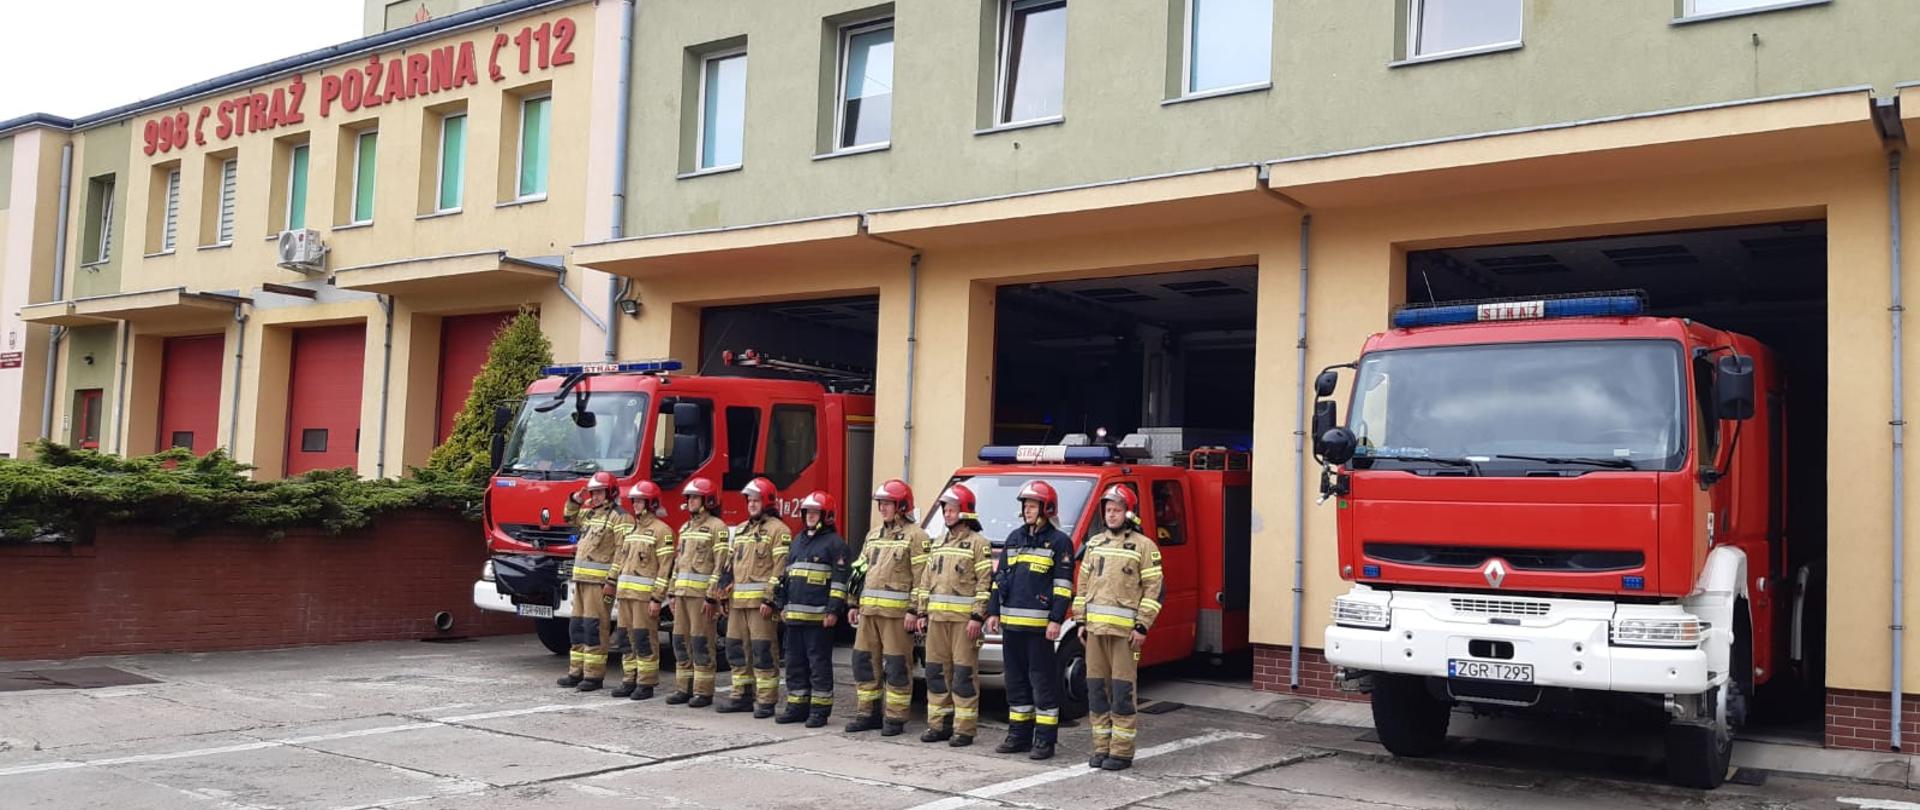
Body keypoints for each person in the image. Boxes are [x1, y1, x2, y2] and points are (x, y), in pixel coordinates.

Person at [1072, 485, 1165, 771]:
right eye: (1108, 510)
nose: (1111, 515)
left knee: (1122, 692)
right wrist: (1080, 620)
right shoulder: (1094, 544)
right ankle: (1101, 748)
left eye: (1116, 509)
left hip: (1126, 635)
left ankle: (1122, 752)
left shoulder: (1144, 546)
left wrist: (1142, 627)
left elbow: (1155, 590)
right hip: (1095, 632)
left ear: (1128, 512)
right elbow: (1083, 585)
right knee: (1097, 690)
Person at [985, 479, 1075, 760]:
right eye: (1025, 505)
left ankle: (1044, 741)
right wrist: (993, 612)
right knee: (1016, 683)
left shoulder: (1060, 542)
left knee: (1043, 684)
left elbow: (1063, 586)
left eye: (1033, 505)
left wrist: (1056, 619)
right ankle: (1019, 735)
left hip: (1039, 630)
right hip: (1012, 627)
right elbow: (1000, 580)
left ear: (1046, 508)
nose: (1027, 510)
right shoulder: (1014, 538)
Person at [910, 483, 993, 747]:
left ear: (965, 512)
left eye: (952, 509)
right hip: (936, 620)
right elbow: (925, 580)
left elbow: (984, 584)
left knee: (963, 675)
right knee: (935, 672)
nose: (947, 514)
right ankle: (939, 725)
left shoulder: (979, 544)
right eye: (945, 509)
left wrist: (977, 618)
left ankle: (964, 729)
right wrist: (922, 612)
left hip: (962, 623)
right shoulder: (937, 543)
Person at [846, 480, 931, 736]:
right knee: (863, 662)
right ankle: (867, 713)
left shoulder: (917, 536)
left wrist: (914, 610)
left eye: (887, 503)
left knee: (896, 666)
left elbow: (922, 577)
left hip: (896, 616)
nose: (881, 508)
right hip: (868, 613)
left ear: (902, 506)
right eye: (880, 503)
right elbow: (860, 571)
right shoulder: (873, 535)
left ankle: (895, 718)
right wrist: (853, 602)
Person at [712, 476, 791, 717]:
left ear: (766, 501)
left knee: (763, 651)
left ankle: (766, 701)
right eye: (749, 500)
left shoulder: (779, 531)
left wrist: (770, 599)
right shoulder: (743, 530)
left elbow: (781, 568)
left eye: (756, 500)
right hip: (737, 604)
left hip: (760, 606)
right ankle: (741, 696)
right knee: (736, 649)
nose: (752, 504)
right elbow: (730, 565)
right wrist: (722, 594)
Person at [772, 491, 851, 728]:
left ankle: (819, 711)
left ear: (826, 516)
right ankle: (797, 706)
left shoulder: (836, 545)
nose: (810, 517)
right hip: (794, 617)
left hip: (819, 619)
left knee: (818, 666)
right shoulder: (798, 541)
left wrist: (833, 611)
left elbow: (839, 582)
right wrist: (782, 604)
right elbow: (787, 576)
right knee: (795, 665)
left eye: (815, 513)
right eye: (808, 512)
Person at [556, 471, 626, 692]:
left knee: (594, 628)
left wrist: (612, 580)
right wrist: (574, 500)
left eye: (598, 492)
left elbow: (621, 552)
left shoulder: (619, 517)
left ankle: (594, 676)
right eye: (592, 492)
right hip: (581, 580)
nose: (594, 497)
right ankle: (576, 671)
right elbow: (568, 517)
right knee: (577, 627)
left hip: (599, 583)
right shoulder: (590, 515)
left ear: (610, 492)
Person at [606, 480, 675, 700]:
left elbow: (665, 569)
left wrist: (657, 598)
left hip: (644, 598)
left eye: (639, 501)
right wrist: (612, 583)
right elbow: (621, 560)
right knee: (626, 639)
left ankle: (646, 683)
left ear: (651, 503)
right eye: (634, 500)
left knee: (644, 639)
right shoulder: (632, 531)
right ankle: (629, 680)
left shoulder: (662, 531)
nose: (635, 504)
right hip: (626, 596)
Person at [666, 477, 728, 707]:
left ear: (707, 500)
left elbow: (720, 565)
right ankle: (684, 688)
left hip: (701, 598)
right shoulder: (685, 528)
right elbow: (678, 563)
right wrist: (671, 593)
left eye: (694, 497)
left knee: (701, 643)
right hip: (682, 595)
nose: (689, 501)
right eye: (689, 497)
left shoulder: (717, 527)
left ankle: (703, 692)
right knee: (680, 642)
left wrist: (712, 596)